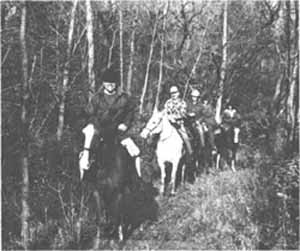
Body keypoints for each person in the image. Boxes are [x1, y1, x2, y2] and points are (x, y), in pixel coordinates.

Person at [80, 68, 141, 177]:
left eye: (112, 82)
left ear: (116, 83)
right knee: (87, 152)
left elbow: (130, 113)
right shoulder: (97, 98)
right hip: (100, 131)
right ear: (103, 83)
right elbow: (89, 114)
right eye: (107, 82)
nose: (110, 85)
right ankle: (83, 178)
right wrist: (94, 126)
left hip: (118, 132)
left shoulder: (124, 98)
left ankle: (137, 179)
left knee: (135, 152)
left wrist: (125, 124)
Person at [164, 85, 193, 155]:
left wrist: (175, 117)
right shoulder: (168, 102)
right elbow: (165, 112)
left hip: (178, 124)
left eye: (175, 92)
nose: (173, 95)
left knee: (185, 137)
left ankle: (190, 153)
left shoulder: (182, 103)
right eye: (172, 93)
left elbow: (183, 114)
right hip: (168, 124)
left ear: (178, 93)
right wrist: (168, 117)